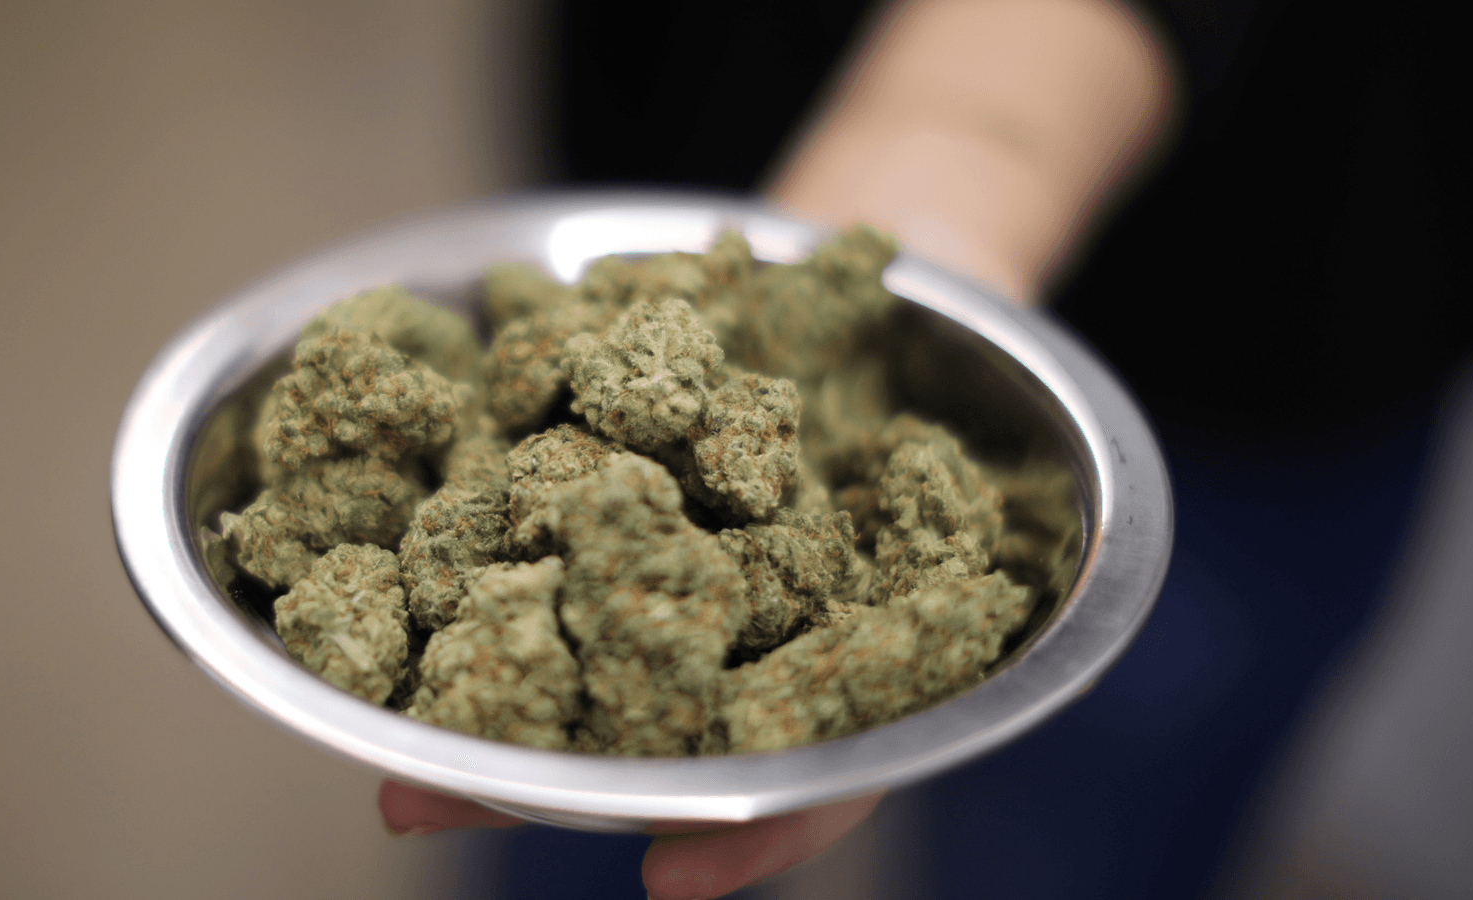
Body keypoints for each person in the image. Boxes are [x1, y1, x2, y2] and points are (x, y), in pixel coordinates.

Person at [378, 2, 1175, 898]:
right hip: (691, 92)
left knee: (1066, 833)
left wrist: (956, 169)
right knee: (587, 849)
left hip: (1213, 363)